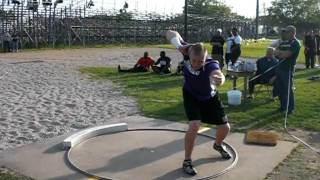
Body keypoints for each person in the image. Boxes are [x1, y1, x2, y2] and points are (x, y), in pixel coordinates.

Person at [166, 31, 231, 176]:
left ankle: (218, 145)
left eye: (200, 61)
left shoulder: (210, 64)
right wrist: (178, 44)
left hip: (209, 97)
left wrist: (219, 78)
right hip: (191, 95)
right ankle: (187, 160)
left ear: (205, 58)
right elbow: (170, 33)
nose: (196, 64)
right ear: (189, 55)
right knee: (194, 125)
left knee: (225, 128)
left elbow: (217, 73)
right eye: (194, 61)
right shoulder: (187, 50)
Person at [274, 25, 301, 114]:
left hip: (287, 69)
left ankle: (290, 108)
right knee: (280, 88)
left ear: (293, 33)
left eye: (287, 32)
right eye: (285, 32)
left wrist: (281, 53)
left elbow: (285, 55)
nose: (285, 33)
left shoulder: (295, 43)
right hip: (279, 68)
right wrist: (281, 53)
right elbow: (275, 53)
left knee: (288, 89)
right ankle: (283, 106)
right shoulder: (284, 42)